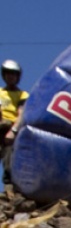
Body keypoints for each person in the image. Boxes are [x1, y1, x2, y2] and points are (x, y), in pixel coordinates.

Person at [0, 59, 28, 190]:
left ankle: (9, 192)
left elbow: (21, 113)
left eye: (13, 74)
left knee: (9, 162)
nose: (10, 76)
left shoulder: (22, 94)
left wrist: (14, 130)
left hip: (10, 129)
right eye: (8, 73)